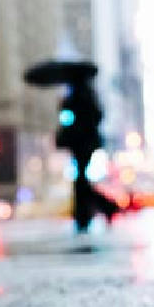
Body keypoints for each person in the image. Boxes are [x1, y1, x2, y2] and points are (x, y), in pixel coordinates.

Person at [57, 80, 118, 232]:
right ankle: (89, 212)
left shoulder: (81, 97)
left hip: (83, 143)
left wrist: (68, 107)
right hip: (81, 143)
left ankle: (95, 210)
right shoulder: (84, 96)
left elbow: (91, 117)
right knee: (81, 180)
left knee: (81, 181)